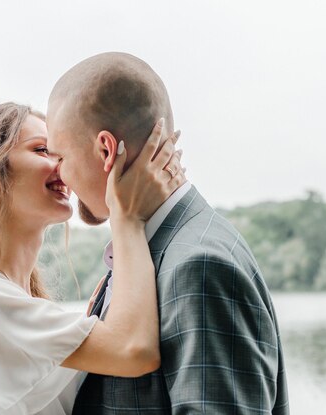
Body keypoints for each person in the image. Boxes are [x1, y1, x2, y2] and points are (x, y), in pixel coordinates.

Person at [45, 52, 290, 414]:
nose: (59, 174)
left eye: (60, 157)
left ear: (105, 150)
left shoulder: (198, 266)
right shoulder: (153, 250)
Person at [0, 102, 186, 415]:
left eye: (61, 152)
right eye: (42, 150)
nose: (63, 164)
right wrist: (127, 219)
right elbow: (133, 350)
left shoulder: (14, 299)